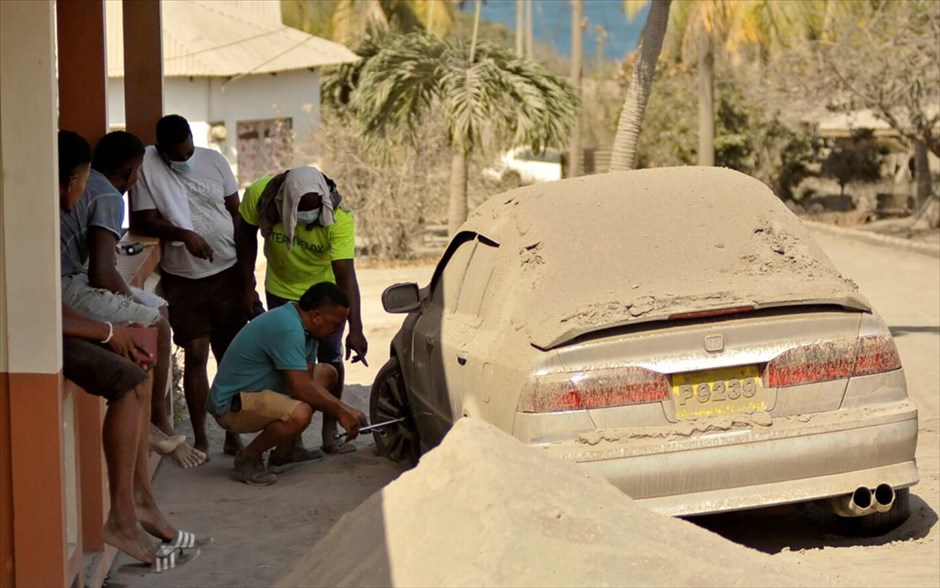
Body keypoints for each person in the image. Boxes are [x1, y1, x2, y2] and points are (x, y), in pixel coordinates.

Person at [58, 130, 207, 571]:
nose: (84, 191)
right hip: (60, 314)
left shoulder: (80, 198)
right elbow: (96, 275)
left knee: (138, 367)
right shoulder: (103, 196)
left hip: (67, 307)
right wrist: (108, 327)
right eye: (80, 182)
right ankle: (131, 504)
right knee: (148, 333)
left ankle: (140, 502)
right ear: (71, 181)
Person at [130, 114, 246, 459]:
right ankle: (201, 436)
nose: (184, 159)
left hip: (226, 272)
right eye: (176, 156)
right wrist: (185, 234)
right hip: (184, 280)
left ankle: (232, 433)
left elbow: (236, 213)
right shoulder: (149, 169)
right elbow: (144, 219)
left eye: (188, 151)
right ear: (161, 151)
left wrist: (245, 274)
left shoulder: (215, 161)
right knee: (196, 354)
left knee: (230, 357)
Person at [238, 167, 367, 455]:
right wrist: (247, 285)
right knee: (288, 365)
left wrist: (355, 328)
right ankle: (290, 441)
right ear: (288, 202)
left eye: (314, 207)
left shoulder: (340, 218)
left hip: (323, 296)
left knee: (331, 361)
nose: (309, 214)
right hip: (281, 290)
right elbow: (245, 236)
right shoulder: (263, 195)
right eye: (302, 208)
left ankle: (331, 432)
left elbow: (346, 275)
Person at [207, 282, 368, 486]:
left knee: (327, 374)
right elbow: (300, 387)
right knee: (300, 413)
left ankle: (286, 451)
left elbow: (308, 379)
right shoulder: (288, 328)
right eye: (336, 324)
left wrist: (346, 409)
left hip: (257, 392)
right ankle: (248, 457)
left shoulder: (306, 326)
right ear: (317, 316)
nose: (337, 330)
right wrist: (342, 412)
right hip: (232, 405)